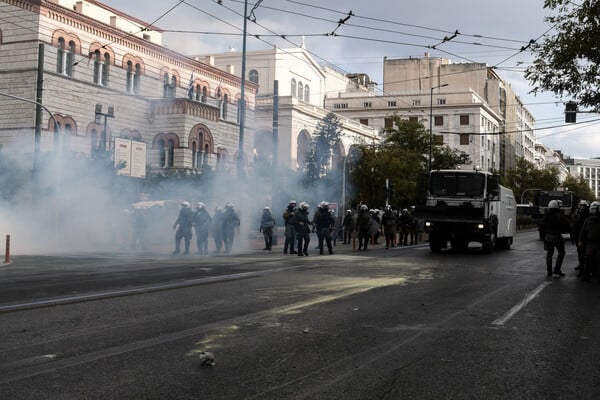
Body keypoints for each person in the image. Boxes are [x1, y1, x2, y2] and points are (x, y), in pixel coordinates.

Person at [543, 199, 571, 277]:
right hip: (556, 236)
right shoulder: (559, 215)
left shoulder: (546, 215)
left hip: (548, 236)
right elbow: (567, 224)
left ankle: (549, 272)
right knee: (561, 253)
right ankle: (557, 270)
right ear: (556, 206)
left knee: (549, 254)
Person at [578, 201, 600, 282]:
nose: (593, 211)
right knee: (589, 259)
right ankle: (587, 276)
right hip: (590, 243)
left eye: (595, 209)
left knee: (598, 260)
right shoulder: (588, 220)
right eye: (592, 209)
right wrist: (580, 240)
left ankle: (596, 274)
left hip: (598, 243)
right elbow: (582, 231)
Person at [571, 200, 589, 274]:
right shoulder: (577, 214)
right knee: (580, 252)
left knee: (583, 253)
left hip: (583, 237)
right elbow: (574, 225)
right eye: (580, 205)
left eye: (583, 206)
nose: (581, 207)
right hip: (577, 236)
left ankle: (583, 268)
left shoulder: (587, 216)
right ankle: (581, 266)